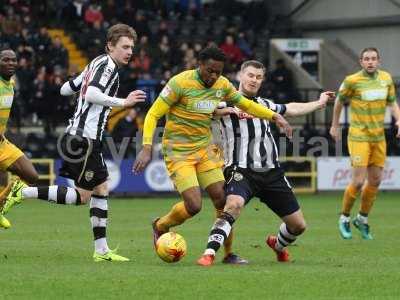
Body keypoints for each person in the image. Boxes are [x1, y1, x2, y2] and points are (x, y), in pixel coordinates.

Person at [133, 47, 293, 264]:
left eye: (218, 72)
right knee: (194, 206)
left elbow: (246, 104)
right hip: (179, 151)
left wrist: (274, 116)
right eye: (210, 71)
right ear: (199, 64)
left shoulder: (222, 84)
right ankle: (160, 225)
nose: (214, 76)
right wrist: (146, 147)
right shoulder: (179, 83)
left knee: (222, 199)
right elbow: (153, 114)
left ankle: (228, 254)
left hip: (205, 149)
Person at [1, 24, 146, 262]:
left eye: (132, 47)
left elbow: (65, 89)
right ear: (110, 45)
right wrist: (124, 102)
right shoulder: (107, 66)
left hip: (83, 137)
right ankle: (22, 192)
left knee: (99, 189)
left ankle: (101, 251)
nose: (130, 51)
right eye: (125, 47)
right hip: (83, 138)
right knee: (84, 196)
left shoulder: (95, 63)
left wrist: (83, 90)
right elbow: (90, 94)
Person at [196, 60, 335, 266]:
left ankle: (277, 245)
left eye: (258, 77)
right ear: (240, 76)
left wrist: (319, 102)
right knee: (233, 204)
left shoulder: (265, 105)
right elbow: (200, 109)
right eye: (250, 75)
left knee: (298, 226)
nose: (254, 80)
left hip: (271, 173)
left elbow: (291, 108)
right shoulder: (226, 101)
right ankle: (209, 253)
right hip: (240, 168)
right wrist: (219, 112)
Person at [330, 47, 400, 240]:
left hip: (378, 137)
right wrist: (335, 125)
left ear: (379, 61)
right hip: (358, 135)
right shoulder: (352, 81)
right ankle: (344, 217)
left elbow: (392, 102)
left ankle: (362, 218)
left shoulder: (386, 79)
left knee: (376, 180)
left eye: (373, 59)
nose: (370, 62)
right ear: (361, 62)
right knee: (359, 181)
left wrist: (399, 119)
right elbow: (338, 102)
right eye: (366, 59)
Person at [0, 49, 39, 229]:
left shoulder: (12, 83)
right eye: (5, 60)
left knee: (31, 175)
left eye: (13, 60)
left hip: (2, 144)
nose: (10, 63)